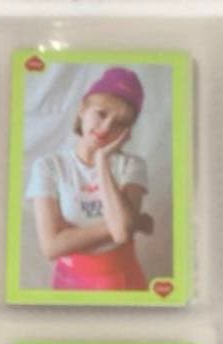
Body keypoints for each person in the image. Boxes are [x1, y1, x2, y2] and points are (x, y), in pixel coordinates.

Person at [26, 66, 153, 291]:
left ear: (128, 131)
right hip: (68, 281)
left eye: (119, 123)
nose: (106, 128)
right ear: (82, 109)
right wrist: (135, 220)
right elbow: (51, 247)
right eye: (101, 113)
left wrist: (102, 161)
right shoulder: (48, 167)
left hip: (124, 281)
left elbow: (122, 233)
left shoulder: (132, 165)